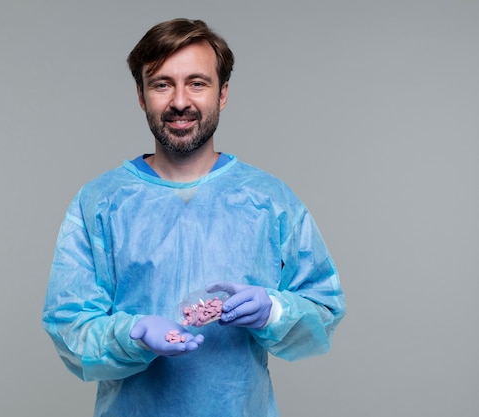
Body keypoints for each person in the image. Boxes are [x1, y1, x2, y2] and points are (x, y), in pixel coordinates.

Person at [42, 18, 346, 417]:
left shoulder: (269, 200)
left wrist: (272, 310)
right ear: (141, 95)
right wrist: (133, 333)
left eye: (197, 83)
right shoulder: (100, 202)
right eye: (162, 84)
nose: (180, 101)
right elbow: (69, 327)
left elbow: (322, 309)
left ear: (222, 94)